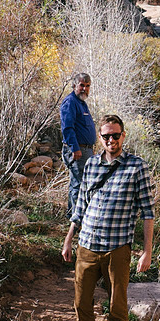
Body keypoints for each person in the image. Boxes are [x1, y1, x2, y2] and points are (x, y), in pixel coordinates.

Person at [61, 114, 155, 321]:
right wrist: (68, 239)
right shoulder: (90, 165)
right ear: (100, 138)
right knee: (81, 305)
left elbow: (148, 213)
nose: (111, 140)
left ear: (123, 136)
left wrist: (146, 251)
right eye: (106, 136)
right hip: (87, 245)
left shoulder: (137, 167)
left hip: (117, 248)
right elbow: (81, 205)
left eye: (116, 135)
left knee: (117, 309)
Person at [59, 73, 95, 217]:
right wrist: (75, 148)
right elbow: (67, 128)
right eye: (81, 85)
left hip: (85, 149)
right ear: (74, 86)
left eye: (87, 86)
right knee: (78, 184)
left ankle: (73, 214)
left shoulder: (82, 102)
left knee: (82, 183)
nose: (84, 89)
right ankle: (75, 218)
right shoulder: (70, 102)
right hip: (77, 150)